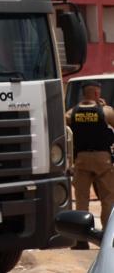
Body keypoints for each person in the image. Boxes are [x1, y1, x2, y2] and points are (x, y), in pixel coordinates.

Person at [65, 82, 114, 248]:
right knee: (108, 199)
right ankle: (107, 238)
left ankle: (81, 240)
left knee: (81, 200)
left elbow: (64, 130)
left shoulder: (72, 113)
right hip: (102, 159)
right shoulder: (105, 112)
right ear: (95, 93)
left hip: (82, 159)